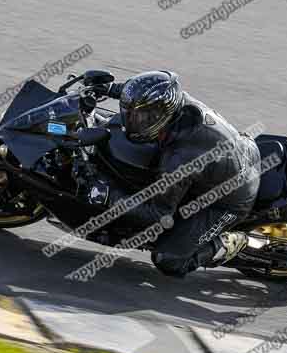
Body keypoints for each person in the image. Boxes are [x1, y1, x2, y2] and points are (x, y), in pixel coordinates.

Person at [97, 70, 261, 277]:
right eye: (131, 113)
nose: (131, 119)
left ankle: (234, 242)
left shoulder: (181, 158)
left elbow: (157, 214)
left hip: (230, 200)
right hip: (236, 154)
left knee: (169, 261)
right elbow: (145, 95)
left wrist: (109, 196)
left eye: (140, 117)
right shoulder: (174, 101)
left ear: (159, 117)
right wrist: (110, 89)